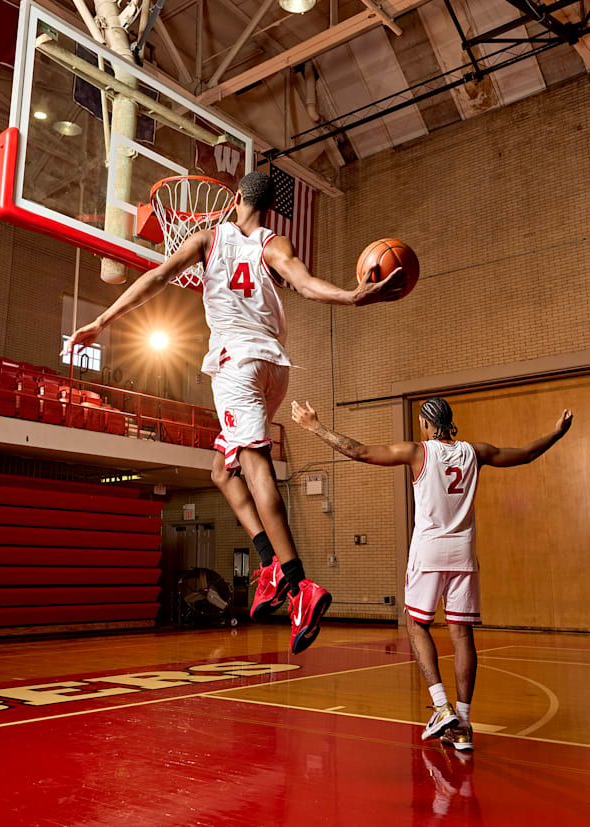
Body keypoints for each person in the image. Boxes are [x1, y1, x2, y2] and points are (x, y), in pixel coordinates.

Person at [63, 171, 400, 655]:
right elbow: (304, 285)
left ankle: (300, 584)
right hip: (274, 367)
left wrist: (100, 321)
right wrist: (350, 295)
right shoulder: (274, 244)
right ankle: (268, 563)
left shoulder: (208, 238)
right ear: (270, 207)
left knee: (255, 464)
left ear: (236, 199)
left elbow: (156, 278)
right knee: (222, 470)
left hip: (236, 364)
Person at [291, 396, 572, 745]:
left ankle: (441, 706)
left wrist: (315, 427)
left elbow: (359, 452)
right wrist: (557, 433)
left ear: (425, 423)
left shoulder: (418, 452)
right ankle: (462, 725)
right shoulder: (476, 452)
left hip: (428, 553)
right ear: (449, 420)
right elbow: (526, 454)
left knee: (415, 624)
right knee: (462, 634)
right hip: (464, 554)